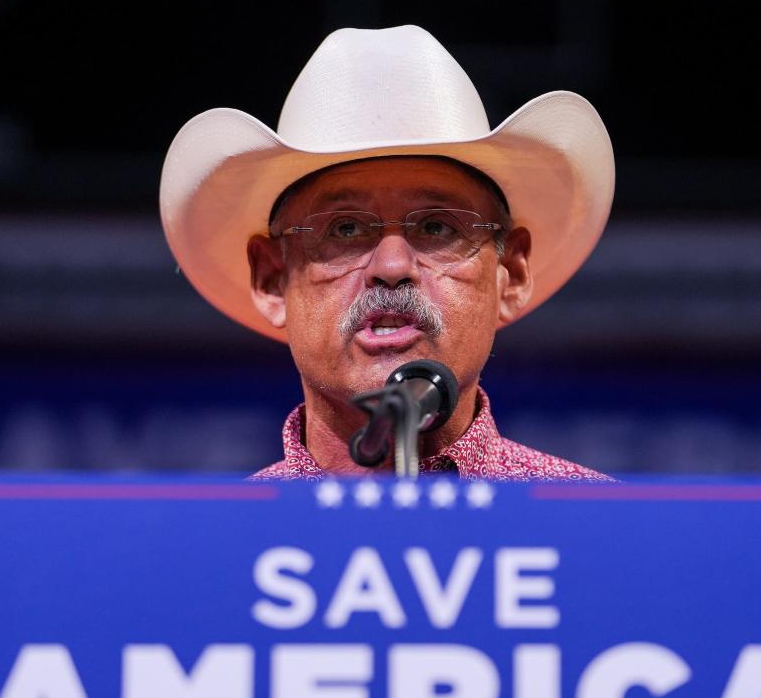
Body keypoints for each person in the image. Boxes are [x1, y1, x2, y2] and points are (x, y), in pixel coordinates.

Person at [160, 25, 616, 480]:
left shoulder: (598, 526)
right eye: (345, 228)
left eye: (437, 227)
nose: (393, 267)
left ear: (510, 274)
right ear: (272, 278)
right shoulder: (219, 543)